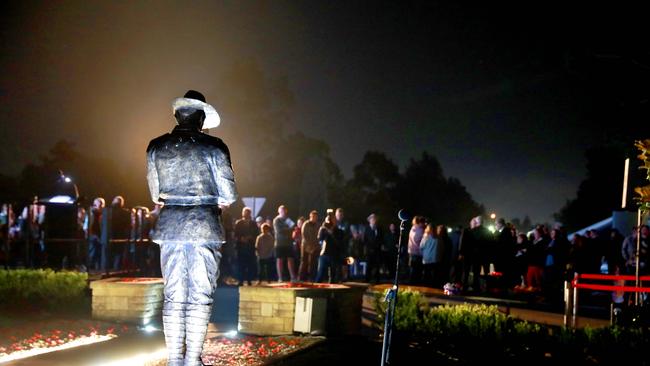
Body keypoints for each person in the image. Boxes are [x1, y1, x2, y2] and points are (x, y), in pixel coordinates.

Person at [147, 90, 237, 366]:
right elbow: (229, 195)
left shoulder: (156, 146)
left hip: (171, 227)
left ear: (177, 115)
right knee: (200, 295)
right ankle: (192, 358)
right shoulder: (216, 147)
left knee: (173, 294)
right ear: (200, 117)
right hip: (204, 227)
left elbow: (155, 194)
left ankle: (175, 358)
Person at [234, 207, 259, 286]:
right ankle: (241, 280)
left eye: (247, 213)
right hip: (241, 247)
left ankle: (249, 280)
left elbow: (256, 234)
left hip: (250, 247)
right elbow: (235, 234)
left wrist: (250, 237)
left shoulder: (253, 223)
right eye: (245, 212)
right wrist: (241, 239)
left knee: (250, 264)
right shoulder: (239, 223)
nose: (246, 214)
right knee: (241, 264)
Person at [273, 205, 297, 282]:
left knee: (290, 259)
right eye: (281, 211)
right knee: (279, 260)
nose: (283, 212)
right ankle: (280, 278)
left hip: (289, 243)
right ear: (279, 211)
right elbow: (279, 231)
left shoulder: (287, 219)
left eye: (284, 210)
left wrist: (288, 230)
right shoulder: (276, 220)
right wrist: (289, 230)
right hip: (280, 243)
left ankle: (292, 277)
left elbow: (293, 227)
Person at [299, 210, 320, 281]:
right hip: (305, 246)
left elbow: (318, 236)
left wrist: (315, 245)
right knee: (304, 262)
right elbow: (304, 235)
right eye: (313, 216)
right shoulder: (306, 224)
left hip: (315, 246)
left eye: (316, 217)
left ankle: (312, 277)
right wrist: (309, 245)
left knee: (313, 263)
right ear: (310, 216)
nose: (314, 218)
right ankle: (302, 277)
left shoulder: (318, 225)